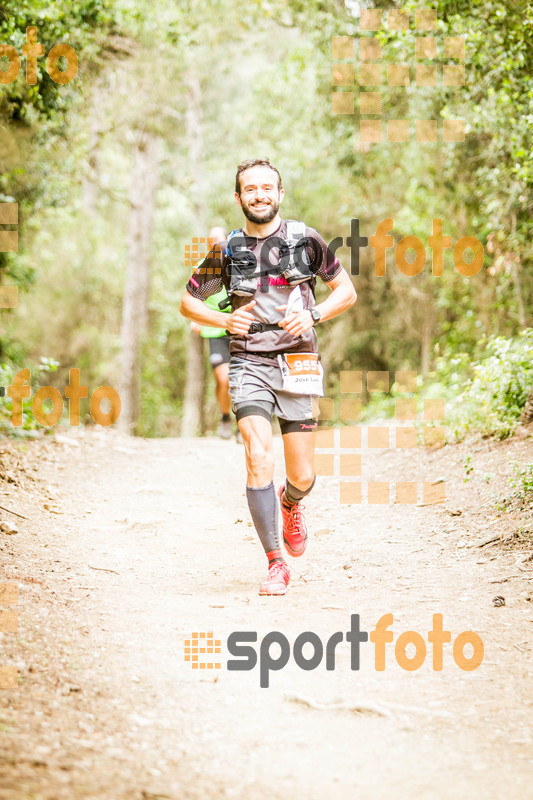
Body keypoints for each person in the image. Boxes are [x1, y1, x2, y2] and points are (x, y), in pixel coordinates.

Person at [180, 158, 356, 596]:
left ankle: (290, 502)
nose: (259, 195)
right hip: (247, 362)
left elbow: (347, 292)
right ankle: (276, 562)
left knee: (302, 475)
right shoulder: (227, 250)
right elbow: (188, 302)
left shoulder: (305, 240)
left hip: (297, 361)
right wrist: (224, 321)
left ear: (279, 194)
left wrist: (313, 314)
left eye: (267, 188)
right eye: (250, 189)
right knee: (258, 455)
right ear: (238, 197)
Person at [189, 226, 237, 440]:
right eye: (211, 241)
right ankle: (226, 417)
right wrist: (195, 319)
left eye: (218, 240)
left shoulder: (240, 262)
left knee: (244, 378)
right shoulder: (202, 266)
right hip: (214, 328)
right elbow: (193, 297)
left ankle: (244, 423)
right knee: (224, 379)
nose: (215, 245)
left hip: (239, 326)